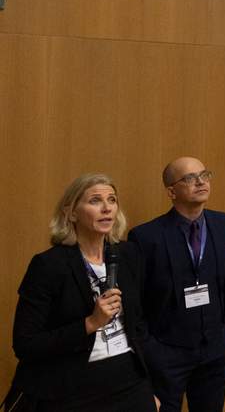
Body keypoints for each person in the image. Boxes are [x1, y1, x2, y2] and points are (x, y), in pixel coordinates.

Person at [5, 174, 157, 412]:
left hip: (129, 380)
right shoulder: (49, 265)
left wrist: (148, 389)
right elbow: (26, 344)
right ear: (71, 213)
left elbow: (138, 324)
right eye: (95, 200)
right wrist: (90, 323)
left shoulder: (128, 254)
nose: (107, 208)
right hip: (73, 385)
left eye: (112, 200)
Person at [128, 157, 225, 412]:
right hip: (167, 353)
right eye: (190, 178)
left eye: (204, 175)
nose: (201, 182)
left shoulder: (224, 224)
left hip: (216, 349)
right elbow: (134, 302)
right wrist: (151, 349)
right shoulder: (146, 237)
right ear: (171, 191)